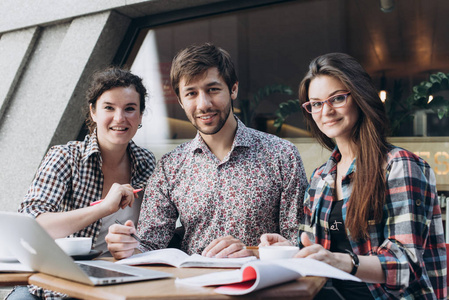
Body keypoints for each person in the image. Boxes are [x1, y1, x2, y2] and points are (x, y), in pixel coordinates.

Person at [259, 53, 447, 299]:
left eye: (336, 98)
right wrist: (290, 249)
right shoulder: (320, 178)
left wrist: (343, 261)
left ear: (359, 98)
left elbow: (405, 264)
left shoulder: (400, 166)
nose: (326, 111)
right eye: (315, 103)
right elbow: (322, 251)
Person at [106, 42, 308, 260]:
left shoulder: (282, 155)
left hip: (261, 285)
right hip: (192, 287)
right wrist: (127, 246)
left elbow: (298, 242)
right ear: (181, 101)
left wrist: (252, 252)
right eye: (191, 93)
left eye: (212, 90)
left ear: (233, 89)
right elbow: (149, 244)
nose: (203, 104)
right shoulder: (169, 167)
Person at [9, 67, 156, 300]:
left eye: (130, 109)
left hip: (114, 284)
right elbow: (33, 226)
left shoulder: (147, 163)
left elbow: (153, 231)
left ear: (140, 116)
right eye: (109, 107)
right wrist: (103, 208)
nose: (120, 118)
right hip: (54, 285)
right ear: (93, 112)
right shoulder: (65, 157)